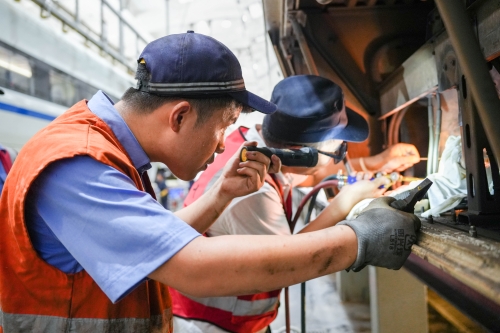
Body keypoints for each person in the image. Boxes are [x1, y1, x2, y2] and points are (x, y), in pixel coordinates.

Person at [0, 32, 420, 333]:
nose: (222, 148)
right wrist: (358, 237)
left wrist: (220, 196)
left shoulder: (104, 150)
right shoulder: (77, 165)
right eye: (224, 127)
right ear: (180, 116)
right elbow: (194, 268)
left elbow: (155, 246)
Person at [170, 75, 421, 333]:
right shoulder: (252, 193)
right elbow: (285, 263)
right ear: (301, 153)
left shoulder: (253, 143)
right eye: (338, 151)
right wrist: (344, 203)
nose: (339, 157)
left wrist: (377, 162)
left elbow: (309, 173)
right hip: (214, 324)